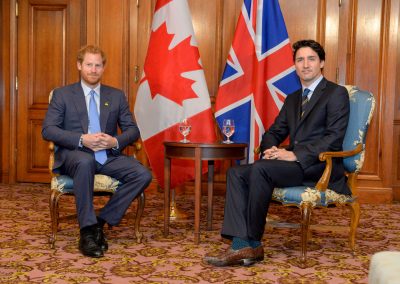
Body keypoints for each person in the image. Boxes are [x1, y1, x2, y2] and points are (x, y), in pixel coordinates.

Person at [204, 39, 351, 267]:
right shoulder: (293, 98)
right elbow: (274, 131)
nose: (305, 65)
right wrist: (270, 149)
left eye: (311, 59)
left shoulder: (336, 93)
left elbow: (334, 137)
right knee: (236, 173)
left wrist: (295, 155)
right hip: (292, 167)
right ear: (294, 65)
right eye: (300, 60)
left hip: (321, 166)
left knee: (261, 170)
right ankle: (241, 243)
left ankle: (250, 242)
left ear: (321, 62)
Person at [42, 45, 152, 258]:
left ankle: (98, 222)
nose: (93, 70)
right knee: (85, 162)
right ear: (79, 65)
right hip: (75, 155)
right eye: (89, 65)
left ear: (103, 68)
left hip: (107, 156)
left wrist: (114, 141)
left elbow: (133, 130)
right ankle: (86, 232)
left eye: (98, 65)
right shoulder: (63, 95)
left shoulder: (116, 96)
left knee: (143, 174)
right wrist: (82, 139)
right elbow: (48, 129)